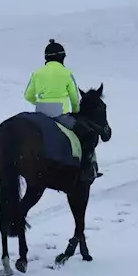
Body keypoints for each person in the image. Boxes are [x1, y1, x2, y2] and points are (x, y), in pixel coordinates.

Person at [24, 39, 99, 181]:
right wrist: (76, 112)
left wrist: (39, 102)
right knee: (88, 135)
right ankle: (86, 168)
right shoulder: (66, 73)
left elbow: (28, 95)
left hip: (40, 113)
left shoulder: (37, 73)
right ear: (62, 57)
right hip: (60, 114)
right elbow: (75, 99)